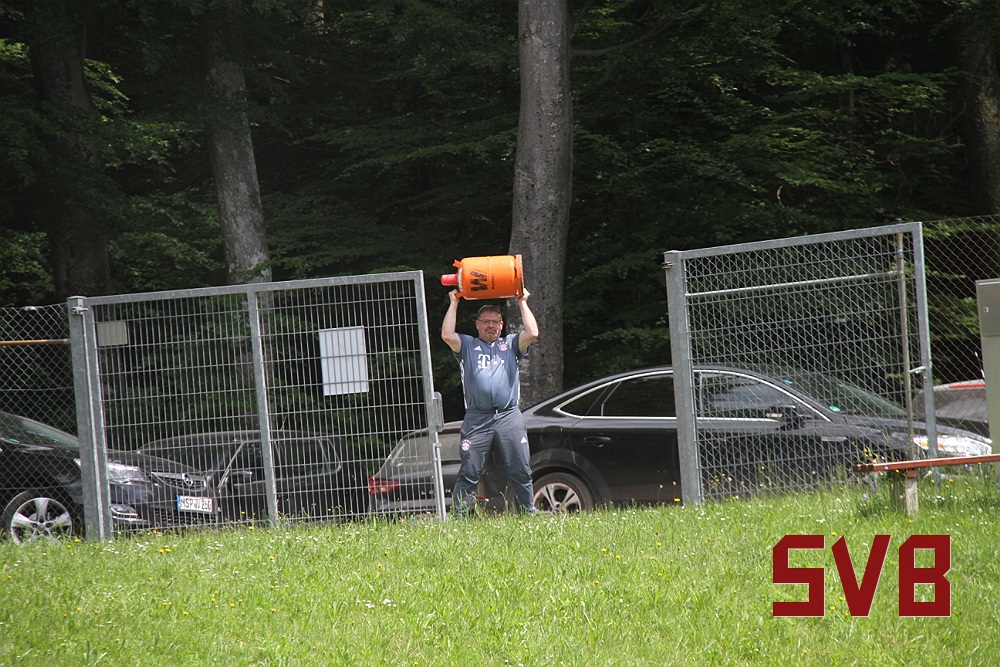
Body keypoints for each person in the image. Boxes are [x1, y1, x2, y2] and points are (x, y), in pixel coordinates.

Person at [441, 288, 539, 516]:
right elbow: (447, 335)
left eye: (495, 322)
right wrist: (454, 302)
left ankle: (527, 514)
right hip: (477, 417)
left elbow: (533, 332)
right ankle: (461, 518)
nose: (490, 326)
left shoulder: (511, 344)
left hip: (508, 415)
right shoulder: (467, 345)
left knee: (521, 469)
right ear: (477, 325)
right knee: (469, 470)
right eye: (486, 322)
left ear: (501, 325)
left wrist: (523, 301)